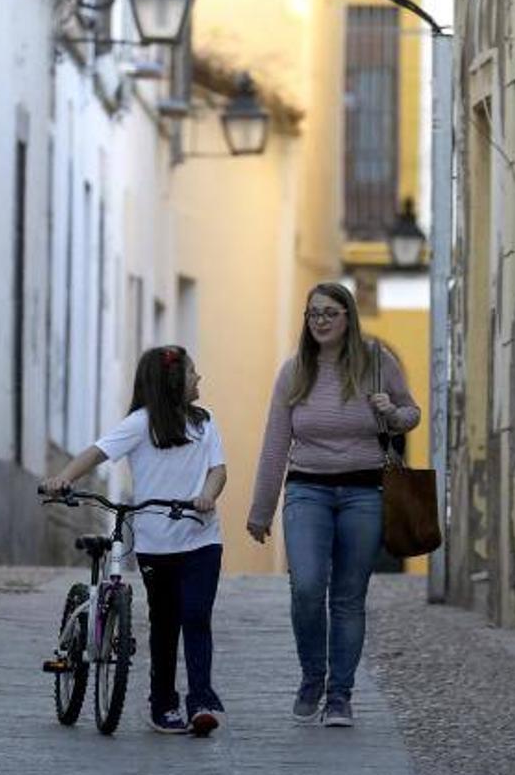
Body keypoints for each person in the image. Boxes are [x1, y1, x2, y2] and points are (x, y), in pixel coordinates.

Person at [246, 282, 420, 728]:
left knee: (347, 598)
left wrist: (392, 413)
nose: (320, 321)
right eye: (313, 314)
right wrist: (261, 509)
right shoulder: (294, 372)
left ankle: (340, 695)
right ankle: (312, 677)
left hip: (365, 493)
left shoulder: (378, 363)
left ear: (348, 317)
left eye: (329, 313)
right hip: (308, 490)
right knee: (306, 587)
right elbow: (274, 445)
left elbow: (411, 413)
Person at [41, 346, 229, 737]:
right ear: (174, 382)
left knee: (196, 616)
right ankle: (162, 704)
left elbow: (218, 469)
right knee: (164, 622)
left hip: (201, 538)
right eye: (193, 372)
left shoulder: (205, 422)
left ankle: (201, 702)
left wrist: (208, 495)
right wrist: (65, 478)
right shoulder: (140, 424)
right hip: (156, 544)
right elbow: (97, 451)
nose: (200, 379)